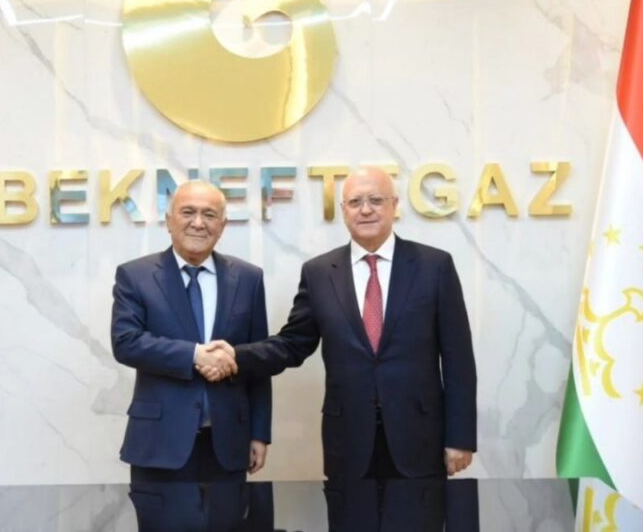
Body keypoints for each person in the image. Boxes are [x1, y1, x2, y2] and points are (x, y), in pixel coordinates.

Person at [203, 167, 476, 479]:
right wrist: (236, 356)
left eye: (376, 200)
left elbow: (458, 360)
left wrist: (460, 437)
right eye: (356, 202)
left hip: (421, 438)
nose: (366, 209)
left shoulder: (434, 266)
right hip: (348, 441)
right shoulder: (320, 272)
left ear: (394, 205)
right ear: (344, 210)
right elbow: (293, 344)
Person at [111, 180, 271, 483]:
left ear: (222, 226)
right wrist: (195, 355)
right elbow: (126, 342)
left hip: (229, 444)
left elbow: (258, 361)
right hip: (159, 443)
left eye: (209, 215)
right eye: (188, 212)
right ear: (169, 221)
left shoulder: (248, 278)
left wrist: (260, 433)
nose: (198, 223)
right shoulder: (135, 276)